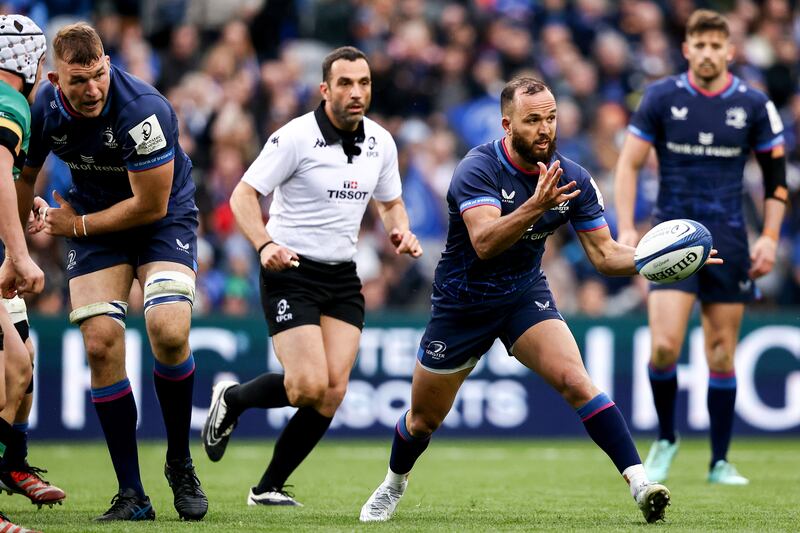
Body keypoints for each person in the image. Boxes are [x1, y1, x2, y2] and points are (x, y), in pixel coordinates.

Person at [359, 77, 717, 524]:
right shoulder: (479, 168)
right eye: (533, 120)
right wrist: (535, 204)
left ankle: (641, 483)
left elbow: (606, 256)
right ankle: (393, 483)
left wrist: (665, 258)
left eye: (551, 118)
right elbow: (486, 242)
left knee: (576, 380)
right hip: (462, 304)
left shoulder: (573, 177)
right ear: (507, 124)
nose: (545, 128)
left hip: (523, 295)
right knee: (422, 421)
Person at [201, 46, 422, 506]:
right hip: (291, 270)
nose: (356, 92)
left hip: (342, 274)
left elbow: (390, 202)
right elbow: (243, 196)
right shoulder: (294, 138)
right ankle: (232, 399)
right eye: (345, 83)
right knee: (306, 386)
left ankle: (267, 488)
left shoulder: (381, 141)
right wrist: (264, 246)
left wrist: (399, 230)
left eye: (363, 83)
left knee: (332, 392)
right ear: (324, 90)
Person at [18, 22, 208, 521]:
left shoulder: (143, 111)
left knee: (168, 330)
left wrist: (74, 226)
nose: (92, 89)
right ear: (56, 80)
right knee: (101, 342)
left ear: (108, 64)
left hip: (161, 218)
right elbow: (24, 175)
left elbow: (150, 205)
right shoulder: (42, 107)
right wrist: (19, 247)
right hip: (95, 221)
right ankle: (132, 495)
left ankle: (179, 462)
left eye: (98, 74)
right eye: (78, 80)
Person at [614, 9, 786, 486]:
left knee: (721, 354)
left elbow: (776, 181)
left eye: (717, 46)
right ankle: (667, 437)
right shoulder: (662, 97)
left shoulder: (753, 104)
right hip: (672, 241)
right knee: (665, 348)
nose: (708, 53)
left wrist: (769, 235)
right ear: (687, 49)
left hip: (731, 238)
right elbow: (628, 164)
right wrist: (627, 226)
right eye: (700, 45)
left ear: (730, 51)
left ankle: (719, 462)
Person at [0, 14, 49, 533]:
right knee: (13, 367)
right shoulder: (10, 103)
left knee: (21, 357)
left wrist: (20, 202)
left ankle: (11, 465)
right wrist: (20, 254)